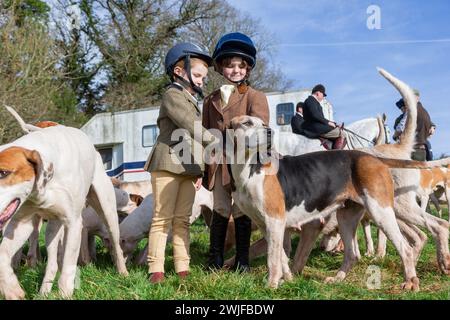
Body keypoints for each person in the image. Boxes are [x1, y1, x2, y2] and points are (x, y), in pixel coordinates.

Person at [144, 42, 216, 284]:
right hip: (167, 163)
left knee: (183, 219)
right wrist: (214, 142)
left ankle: (182, 266)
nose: (201, 81)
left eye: (203, 77)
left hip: (188, 167)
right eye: (197, 75)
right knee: (162, 217)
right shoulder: (172, 95)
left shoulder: (192, 98)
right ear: (178, 72)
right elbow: (189, 125)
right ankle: (155, 269)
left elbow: (192, 140)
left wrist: (199, 170)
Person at [202, 32, 270, 272]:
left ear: (248, 69)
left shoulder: (255, 96)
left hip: (244, 163)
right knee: (220, 208)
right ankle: (215, 260)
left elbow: (260, 130)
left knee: (242, 209)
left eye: (241, 66)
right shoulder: (209, 100)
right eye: (230, 66)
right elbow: (204, 134)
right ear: (220, 67)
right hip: (218, 164)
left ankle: (242, 261)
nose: (235, 71)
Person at [302, 84, 347, 149]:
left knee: (337, 130)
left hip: (317, 126)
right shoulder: (310, 100)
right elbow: (315, 115)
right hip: (314, 128)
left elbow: (321, 118)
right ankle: (335, 156)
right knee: (342, 134)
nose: (323, 97)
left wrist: (335, 124)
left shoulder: (315, 102)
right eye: (323, 95)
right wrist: (329, 123)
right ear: (318, 93)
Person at [392, 89, 433, 161]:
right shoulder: (423, 112)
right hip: (417, 150)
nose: (403, 109)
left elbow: (399, 129)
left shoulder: (412, 112)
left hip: (411, 149)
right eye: (401, 108)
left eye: (404, 107)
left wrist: (433, 126)